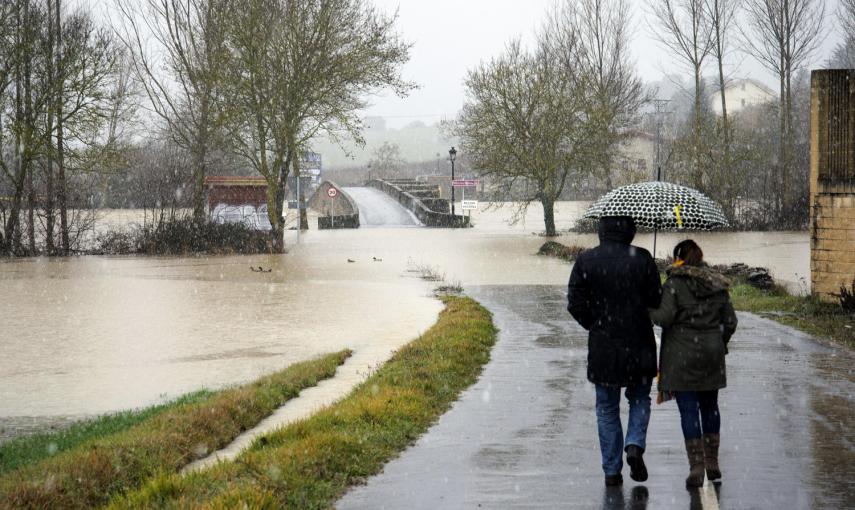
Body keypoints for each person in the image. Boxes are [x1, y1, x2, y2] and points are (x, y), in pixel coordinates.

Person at [568, 216, 662, 486]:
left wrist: (595, 324)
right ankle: (634, 444)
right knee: (640, 398)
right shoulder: (643, 258)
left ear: (601, 231)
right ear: (631, 232)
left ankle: (611, 470)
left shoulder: (586, 260)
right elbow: (656, 299)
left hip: (603, 346)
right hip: (639, 342)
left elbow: (575, 302)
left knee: (607, 407)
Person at [648, 239, 737, 488]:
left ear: (678, 258)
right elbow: (730, 321)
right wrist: (719, 342)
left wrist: (649, 309)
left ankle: (696, 466)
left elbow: (664, 318)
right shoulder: (718, 284)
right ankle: (712, 462)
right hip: (712, 354)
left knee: (689, 410)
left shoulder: (674, 284)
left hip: (681, 357)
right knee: (710, 407)